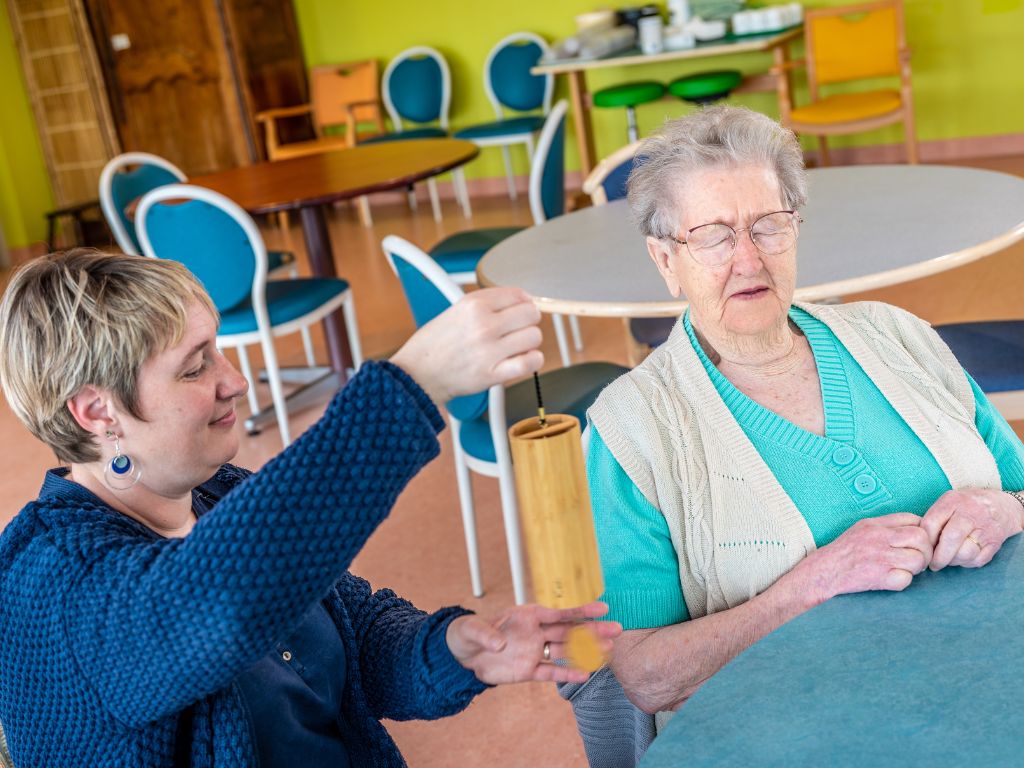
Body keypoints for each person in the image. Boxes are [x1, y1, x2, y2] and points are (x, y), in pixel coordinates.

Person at [0, 249, 621, 766]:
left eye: (217, 349)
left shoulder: (219, 493)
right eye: (194, 369)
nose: (235, 380)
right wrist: (412, 386)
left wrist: (458, 646)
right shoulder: (53, 587)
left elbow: (356, 632)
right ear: (97, 413)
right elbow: (219, 601)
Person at [568, 106, 1024, 765]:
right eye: (714, 236)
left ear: (796, 229)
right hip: (801, 740)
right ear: (666, 260)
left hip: (992, 691)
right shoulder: (633, 429)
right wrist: (807, 587)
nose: (748, 258)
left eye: (767, 226)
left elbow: (1021, 487)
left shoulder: (897, 335)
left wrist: (1004, 507)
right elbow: (643, 672)